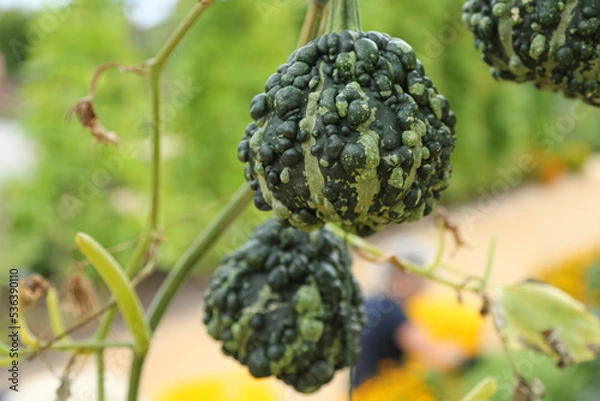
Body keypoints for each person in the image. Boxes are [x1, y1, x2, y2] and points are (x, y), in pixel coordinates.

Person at [352, 248, 467, 388]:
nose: (420, 291)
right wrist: (468, 358)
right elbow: (433, 352)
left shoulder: (371, 304)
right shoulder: (389, 310)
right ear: (403, 275)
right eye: (419, 281)